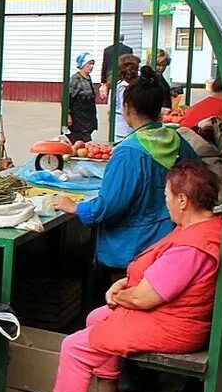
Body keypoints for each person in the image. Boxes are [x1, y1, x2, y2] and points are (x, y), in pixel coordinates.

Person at [52, 161, 222, 392]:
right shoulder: (202, 227)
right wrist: (124, 284)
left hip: (178, 327)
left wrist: (118, 295)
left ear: (183, 200)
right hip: (177, 313)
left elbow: (145, 298)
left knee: (74, 346)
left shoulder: (192, 247)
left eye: (167, 196)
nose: (165, 202)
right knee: (96, 317)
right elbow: (159, 277)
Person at [55, 66, 200, 276]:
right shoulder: (177, 140)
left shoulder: (129, 152)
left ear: (127, 108)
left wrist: (77, 208)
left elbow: (110, 205)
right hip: (170, 241)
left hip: (132, 250)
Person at [67, 52, 99, 143]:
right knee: (84, 140)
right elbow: (67, 98)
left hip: (88, 117)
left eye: (93, 64)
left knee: (82, 140)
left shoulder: (88, 78)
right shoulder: (76, 79)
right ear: (83, 64)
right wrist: (68, 115)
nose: (91, 66)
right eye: (89, 63)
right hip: (78, 117)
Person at [113, 54, 141, 142]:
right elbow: (124, 108)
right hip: (124, 130)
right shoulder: (123, 87)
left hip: (127, 128)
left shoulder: (125, 85)